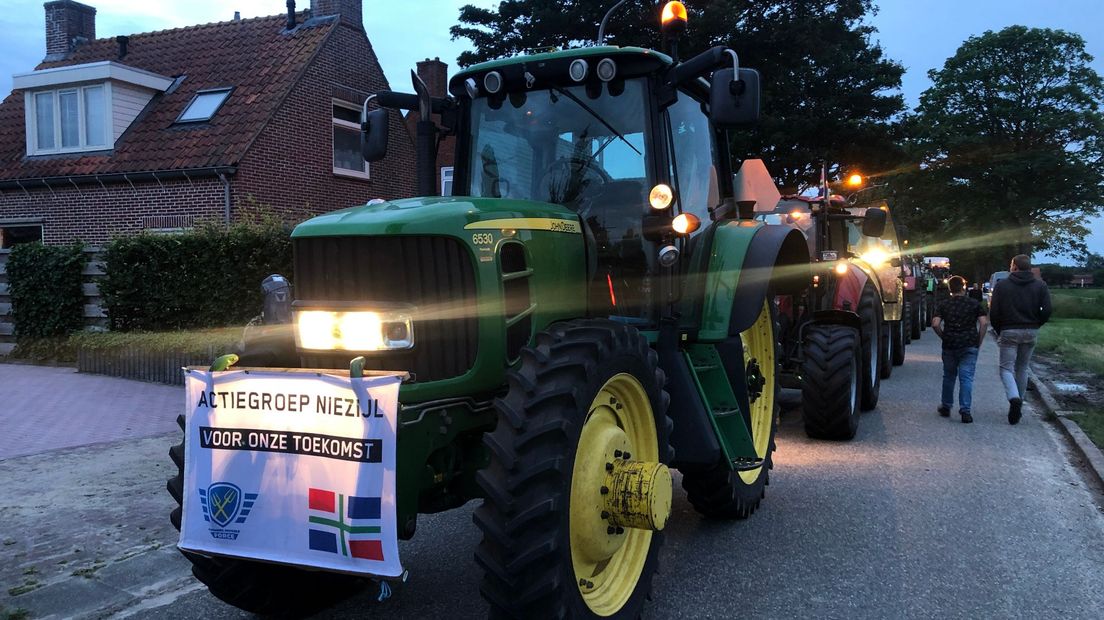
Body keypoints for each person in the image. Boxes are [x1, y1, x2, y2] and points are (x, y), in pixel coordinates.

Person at [989, 254, 1052, 425]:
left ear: (1015, 266)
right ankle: (1020, 402)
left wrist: (999, 329)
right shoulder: (1040, 285)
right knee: (1023, 368)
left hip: (1009, 330)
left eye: (1011, 264)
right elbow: (1047, 309)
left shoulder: (1003, 286)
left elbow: (994, 312)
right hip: (1031, 330)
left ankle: (1013, 397)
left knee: (1006, 369)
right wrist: (1037, 323)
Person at [932, 276, 989, 423]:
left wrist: (944, 336)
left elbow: (935, 324)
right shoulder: (974, 304)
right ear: (963, 287)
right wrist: (979, 341)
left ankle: (946, 406)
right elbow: (983, 323)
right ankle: (965, 411)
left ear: (950, 288)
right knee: (966, 378)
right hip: (969, 343)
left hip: (950, 344)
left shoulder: (944, 305)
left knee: (949, 376)